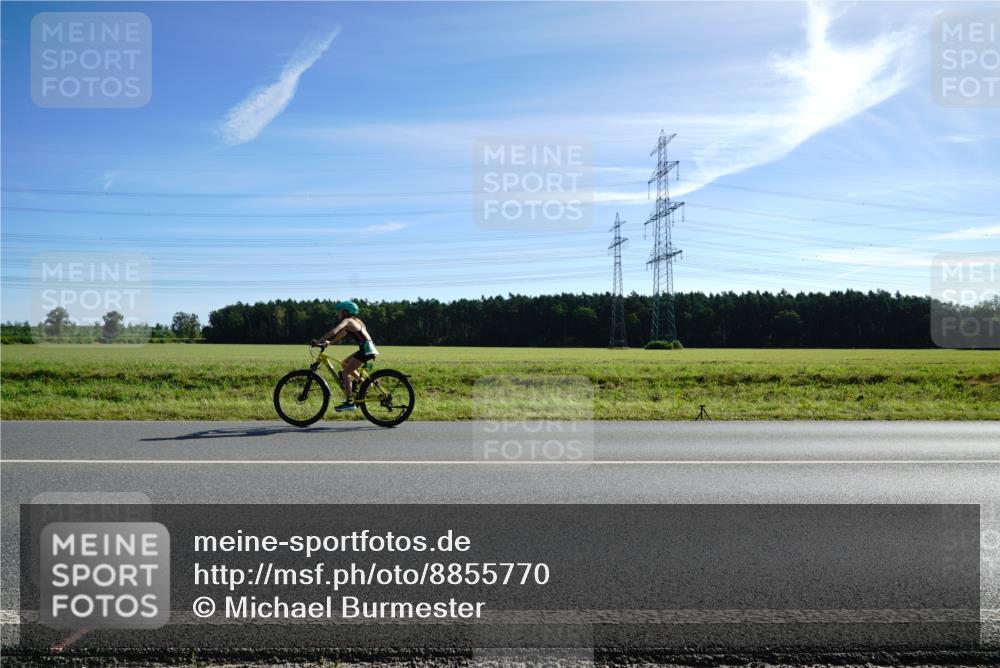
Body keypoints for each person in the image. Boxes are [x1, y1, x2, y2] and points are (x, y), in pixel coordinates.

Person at [314, 300, 379, 412]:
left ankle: (349, 402)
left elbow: (335, 330)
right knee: (345, 364)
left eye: (339, 311)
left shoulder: (348, 321)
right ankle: (365, 383)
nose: (337, 313)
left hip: (365, 350)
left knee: (345, 373)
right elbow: (340, 334)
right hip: (367, 348)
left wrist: (319, 340)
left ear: (345, 312)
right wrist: (330, 342)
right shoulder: (354, 321)